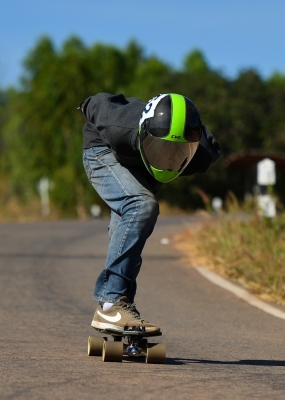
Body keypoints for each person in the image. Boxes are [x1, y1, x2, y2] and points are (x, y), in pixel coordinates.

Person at [79, 92, 220, 333]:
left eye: (176, 152)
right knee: (141, 205)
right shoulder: (117, 124)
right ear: (144, 133)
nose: (166, 158)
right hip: (104, 151)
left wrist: (170, 155)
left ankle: (118, 306)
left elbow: (210, 148)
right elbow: (94, 103)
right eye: (161, 148)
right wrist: (84, 104)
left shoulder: (200, 154)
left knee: (131, 228)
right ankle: (112, 304)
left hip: (143, 168)